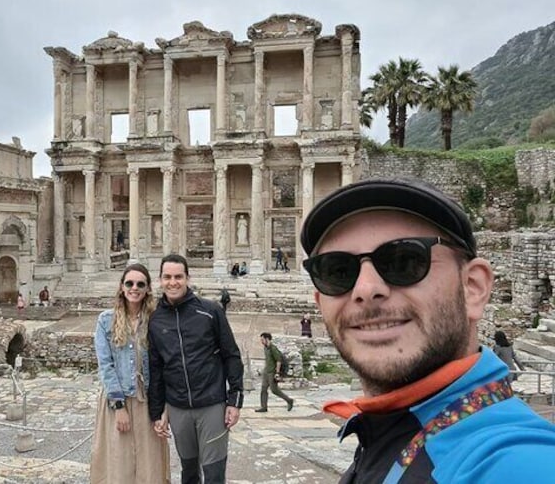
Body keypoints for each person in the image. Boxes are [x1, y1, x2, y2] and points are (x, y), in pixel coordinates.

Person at [300, 177, 555, 483]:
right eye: (337, 271)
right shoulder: (385, 430)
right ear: (320, 302)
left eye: (404, 260)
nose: (366, 289)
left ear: (473, 288)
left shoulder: (518, 465)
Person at [148, 254, 244, 484]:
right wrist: (156, 411)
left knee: (213, 474)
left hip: (212, 404)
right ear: (160, 280)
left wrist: (235, 400)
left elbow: (231, 355)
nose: (173, 282)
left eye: (178, 277)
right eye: (167, 277)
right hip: (178, 406)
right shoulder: (155, 320)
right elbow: (156, 368)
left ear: (187, 278)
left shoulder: (210, 311)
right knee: (188, 472)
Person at [91, 263, 170, 483]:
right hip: (118, 400)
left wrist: (165, 408)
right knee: (119, 464)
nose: (134, 288)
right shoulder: (106, 320)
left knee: (150, 465)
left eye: (140, 284)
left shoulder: (156, 319)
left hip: (148, 401)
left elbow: (164, 365)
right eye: (129, 283)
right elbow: (105, 365)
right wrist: (119, 406)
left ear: (147, 289)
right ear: (121, 287)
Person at [255, 332, 294, 412]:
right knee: (263, 389)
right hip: (266, 371)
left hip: (272, 372)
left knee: (274, 390)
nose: (261, 342)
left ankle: (289, 400)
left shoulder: (273, 348)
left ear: (267, 339)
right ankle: (264, 407)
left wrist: (277, 373)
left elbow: (278, 361)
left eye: (262, 340)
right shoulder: (266, 348)